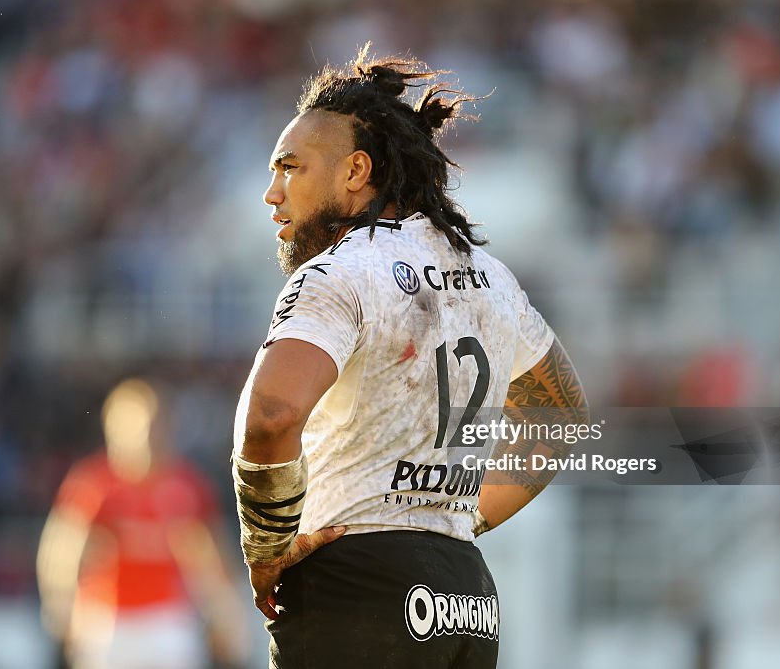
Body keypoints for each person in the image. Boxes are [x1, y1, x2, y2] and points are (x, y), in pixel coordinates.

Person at [232, 45, 588, 668]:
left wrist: (266, 548)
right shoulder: (489, 275)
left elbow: (272, 416)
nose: (273, 193)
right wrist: (454, 520)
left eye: (290, 168)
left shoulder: (340, 270)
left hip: (355, 582)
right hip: (465, 595)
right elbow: (561, 419)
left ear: (354, 172)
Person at [38, 378, 248, 669]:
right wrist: (62, 611)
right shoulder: (94, 484)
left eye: (156, 426)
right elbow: (64, 551)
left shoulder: (187, 484)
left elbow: (210, 553)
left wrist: (225, 614)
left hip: (169, 618)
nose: (149, 437)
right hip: (108, 620)